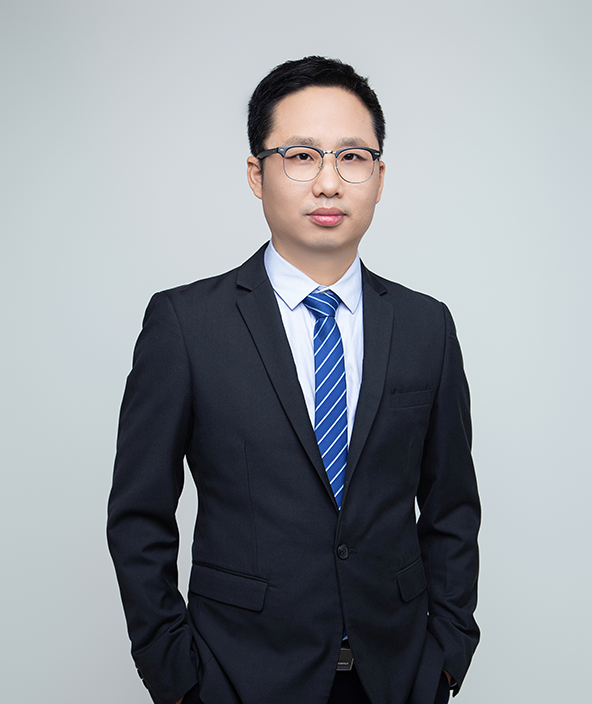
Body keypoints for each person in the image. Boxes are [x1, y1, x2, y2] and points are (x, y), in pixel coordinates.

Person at [107, 56, 480, 704]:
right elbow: (139, 517)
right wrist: (178, 679)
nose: (329, 183)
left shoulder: (427, 326)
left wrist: (445, 658)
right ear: (257, 173)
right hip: (237, 678)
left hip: (396, 678)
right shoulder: (186, 326)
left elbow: (452, 508)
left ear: (379, 177)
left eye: (352, 157)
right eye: (301, 156)